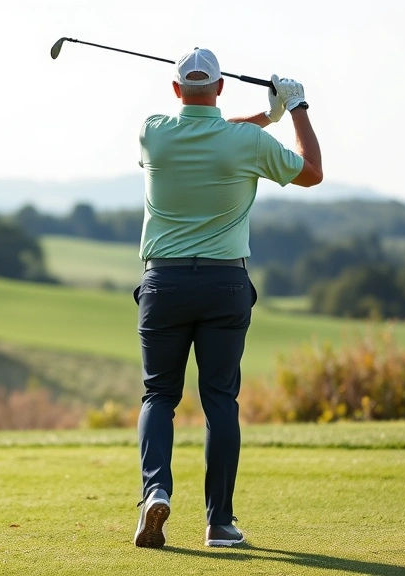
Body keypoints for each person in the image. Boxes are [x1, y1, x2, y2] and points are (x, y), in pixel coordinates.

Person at [132, 47, 322, 548]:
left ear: (176, 91)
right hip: (223, 286)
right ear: (220, 88)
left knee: (159, 396)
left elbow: (204, 128)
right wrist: (294, 107)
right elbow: (311, 170)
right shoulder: (246, 142)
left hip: (164, 284)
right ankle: (218, 523)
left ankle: (155, 491)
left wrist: (266, 117)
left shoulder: (154, 131)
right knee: (219, 400)